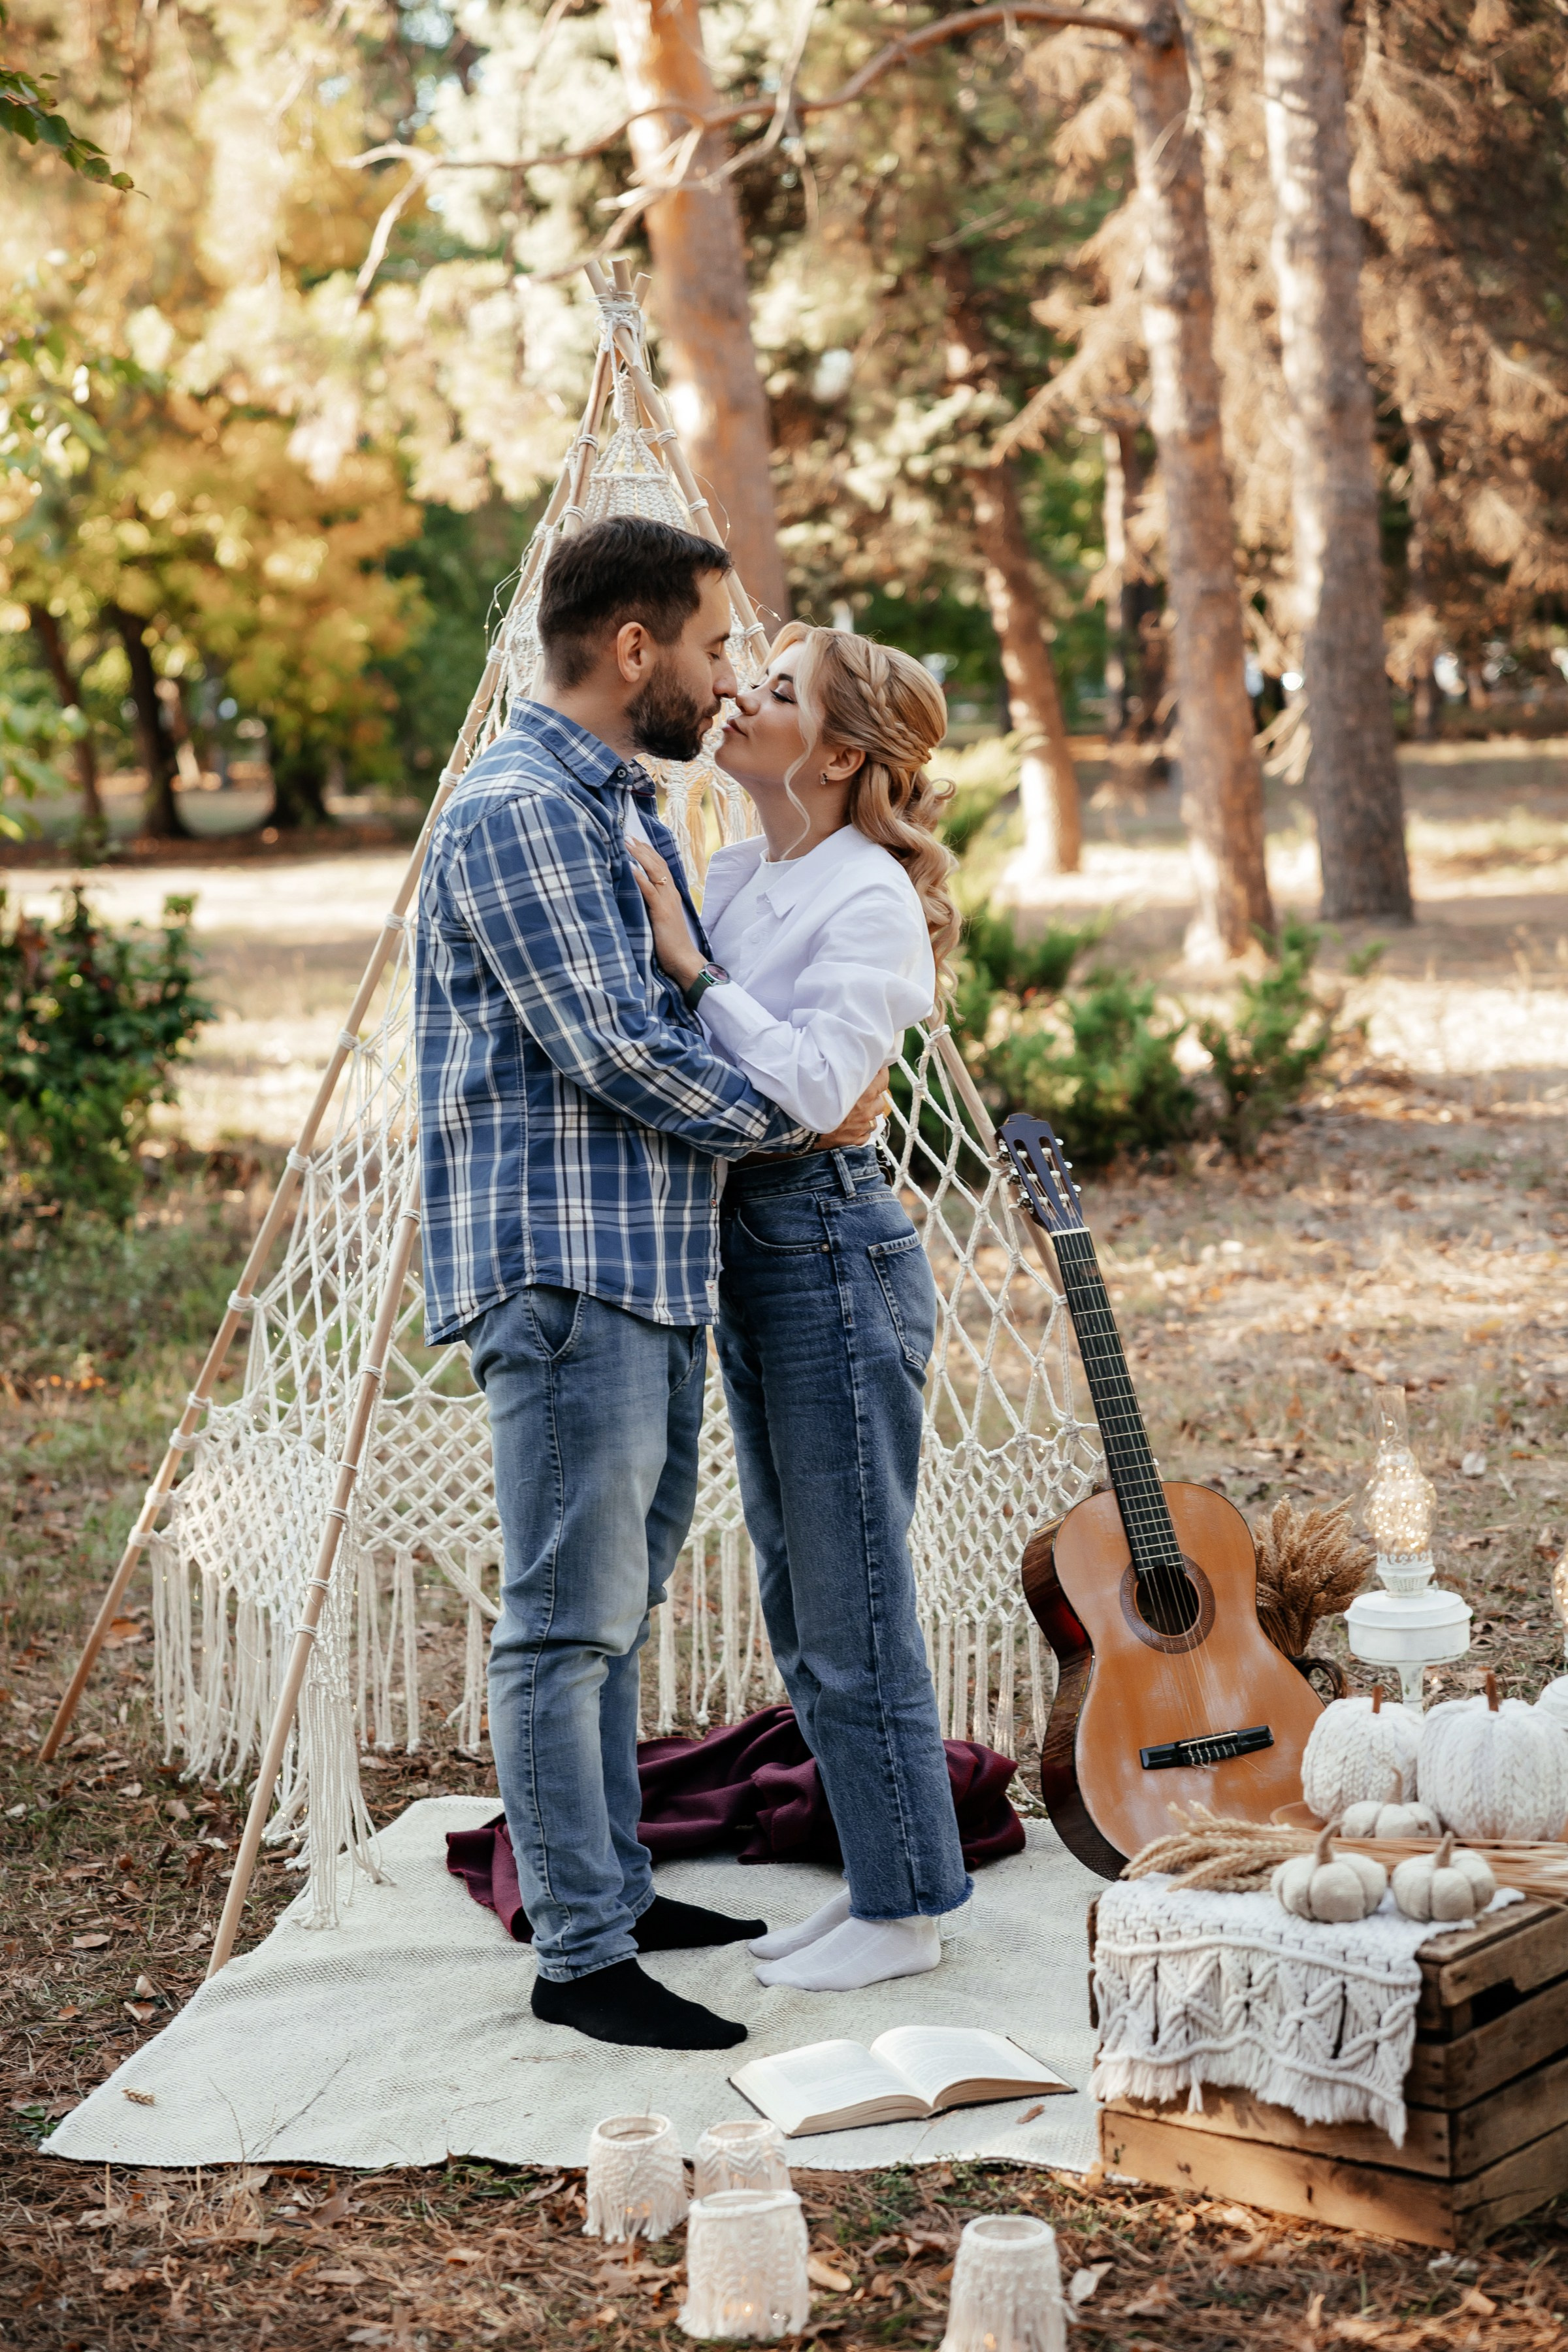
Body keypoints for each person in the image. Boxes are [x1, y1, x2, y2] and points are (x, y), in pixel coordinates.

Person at [415, 519, 885, 2052]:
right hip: (564, 1270)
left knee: (611, 1615)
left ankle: (609, 1884)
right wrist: (803, 1110)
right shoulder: (517, 810)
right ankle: (581, 1954)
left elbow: (659, 1021)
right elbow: (613, 1047)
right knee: (564, 1623)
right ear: (632, 651)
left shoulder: (614, 802)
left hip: (645, 1264)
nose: (722, 677)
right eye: (703, 645)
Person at [627, 623, 972, 1994]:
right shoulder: (735, 864)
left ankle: (908, 1910)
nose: (739, 699)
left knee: (855, 1591)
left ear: (837, 756)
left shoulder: (869, 896)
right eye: (750, 678)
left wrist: (694, 974)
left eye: (775, 692)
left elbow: (824, 1090)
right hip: (752, 1244)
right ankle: (876, 1875)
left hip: (833, 1243)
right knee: (795, 1580)